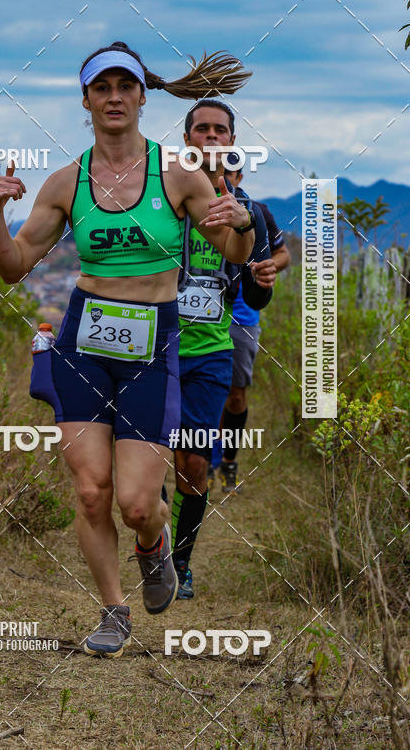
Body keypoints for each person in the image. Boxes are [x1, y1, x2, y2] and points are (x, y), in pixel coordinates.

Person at [0, 41, 254, 657]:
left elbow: (235, 254)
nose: (113, 98)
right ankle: (113, 611)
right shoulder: (66, 182)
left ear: (141, 96)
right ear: (85, 100)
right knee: (90, 491)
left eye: (124, 87)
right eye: (101, 88)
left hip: (152, 348)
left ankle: (153, 544)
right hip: (83, 342)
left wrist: (239, 223)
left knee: (136, 504)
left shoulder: (176, 175)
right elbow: (13, 266)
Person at [171, 99, 275, 599]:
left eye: (220, 130)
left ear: (232, 141)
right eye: (202, 129)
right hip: (153, 349)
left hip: (212, 349)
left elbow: (257, 296)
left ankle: (180, 563)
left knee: (193, 464)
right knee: (147, 460)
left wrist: (263, 277)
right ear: (187, 139)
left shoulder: (248, 210)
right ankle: (153, 532)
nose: (211, 137)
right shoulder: (162, 193)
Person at [221, 161, 291, 493]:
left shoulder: (258, 212)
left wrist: (263, 269)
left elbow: (283, 254)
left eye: (229, 174)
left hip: (243, 314)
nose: (224, 180)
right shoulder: (190, 207)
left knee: (236, 394)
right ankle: (198, 460)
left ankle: (228, 463)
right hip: (198, 314)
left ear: (240, 177)